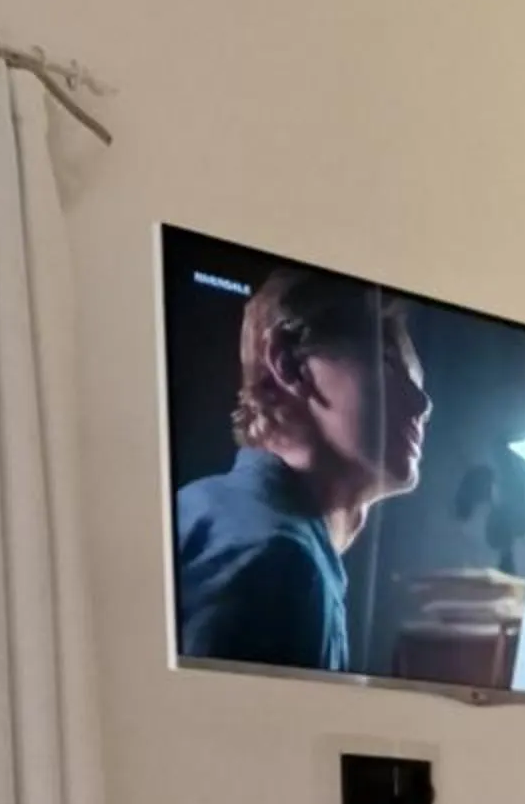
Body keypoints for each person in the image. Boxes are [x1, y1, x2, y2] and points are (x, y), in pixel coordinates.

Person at [176, 264, 431, 671]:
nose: (422, 405)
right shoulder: (279, 563)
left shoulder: (204, 508)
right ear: (290, 364)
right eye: (387, 364)